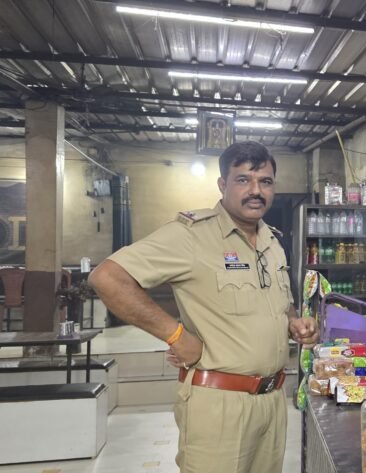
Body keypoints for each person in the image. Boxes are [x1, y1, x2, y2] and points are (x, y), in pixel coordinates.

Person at [89, 141, 317, 473]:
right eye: (243, 180)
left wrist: (293, 322)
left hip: (273, 401)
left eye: (265, 182)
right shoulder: (191, 236)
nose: (256, 191)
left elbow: (280, 305)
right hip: (219, 404)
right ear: (223, 185)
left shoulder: (272, 242)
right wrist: (176, 336)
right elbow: (108, 278)